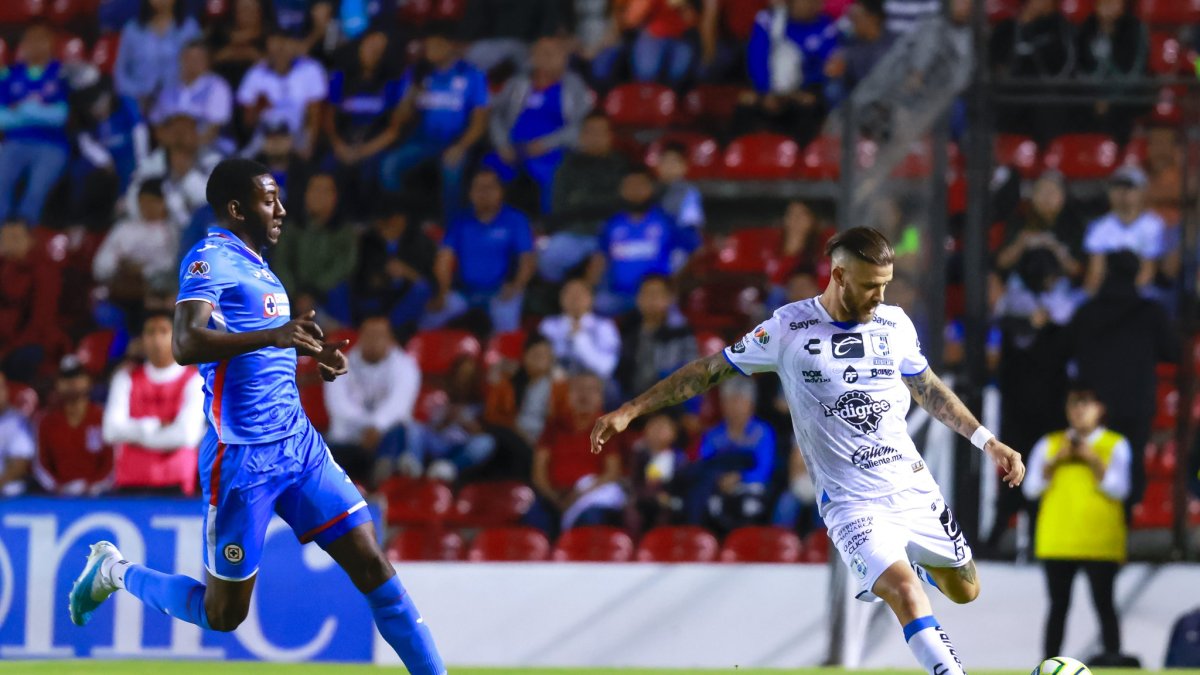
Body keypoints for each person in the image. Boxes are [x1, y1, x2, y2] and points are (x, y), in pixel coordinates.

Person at [68, 158, 446, 675]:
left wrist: (310, 365)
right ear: (235, 208)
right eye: (270, 200)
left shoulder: (260, 266)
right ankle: (113, 571)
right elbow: (185, 343)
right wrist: (274, 335)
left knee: (375, 568)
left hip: (300, 446)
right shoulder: (208, 258)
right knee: (222, 614)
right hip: (244, 457)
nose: (281, 209)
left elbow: (256, 369)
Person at [591, 227, 1026, 675]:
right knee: (906, 592)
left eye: (886, 284)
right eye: (870, 286)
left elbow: (929, 390)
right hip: (851, 504)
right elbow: (708, 370)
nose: (880, 296)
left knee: (965, 590)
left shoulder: (895, 324)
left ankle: (924, 558)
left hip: (913, 487)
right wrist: (632, 408)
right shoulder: (787, 328)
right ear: (839, 275)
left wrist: (986, 440)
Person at [1023, 383, 1130, 662]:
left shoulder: (1114, 444)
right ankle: (1049, 665)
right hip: (1058, 540)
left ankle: (1114, 662)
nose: (1080, 410)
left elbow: (1120, 489)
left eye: (1086, 403)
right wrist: (1054, 462)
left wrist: (1094, 461)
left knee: (1104, 604)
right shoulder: (1050, 444)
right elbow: (1030, 488)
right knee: (1058, 607)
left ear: (1100, 409)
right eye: (1074, 403)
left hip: (1100, 541)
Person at [1064, 249, 1175, 509]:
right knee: (1130, 467)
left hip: (1092, 407)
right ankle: (1123, 527)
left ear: (1106, 273)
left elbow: (1063, 349)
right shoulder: (1151, 312)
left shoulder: (1087, 311)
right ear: (1137, 274)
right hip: (1135, 406)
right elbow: (1173, 353)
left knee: (1088, 464)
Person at [379, 22, 490, 216]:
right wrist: (413, 91)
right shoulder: (418, 73)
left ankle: (452, 227)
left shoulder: (472, 74)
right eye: (428, 46)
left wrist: (461, 147)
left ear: (452, 45)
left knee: (451, 169)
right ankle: (400, 220)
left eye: (437, 44)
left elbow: (480, 122)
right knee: (389, 164)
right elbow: (398, 119)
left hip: (457, 139)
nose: (432, 50)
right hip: (423, 140)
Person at [484, 36, 591, 215]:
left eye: (553, 53)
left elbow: (581, 125)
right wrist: (502, 145)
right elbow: (496, 115)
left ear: (563, 57)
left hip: (553, 151)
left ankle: (547, 224)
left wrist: (545, 145)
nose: (547, 58)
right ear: (532, 57)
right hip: (512, 148)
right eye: (542, 53)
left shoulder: (574, 85)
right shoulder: (518, 83)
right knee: (486, 173)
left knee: (554, 175)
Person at [102, 309, 205, 495]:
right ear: (142, 339)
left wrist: (134, 433)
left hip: (176, 485)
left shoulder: (194, 380)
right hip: (129, 484)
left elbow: (187, 436)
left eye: (163, 331)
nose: (156, 339)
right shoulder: (125, 378)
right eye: (150, 332)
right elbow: (110, 431)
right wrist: (154, 426)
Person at [427, 169, 536, 333]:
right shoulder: (460, 221)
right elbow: (444, 259)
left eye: (490, 188)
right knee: (430, 320)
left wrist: (517, 285)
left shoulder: (515, 219)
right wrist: (443, 292)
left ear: (501, 191)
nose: (484, 193)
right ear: (470, 193)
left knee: (506, 326)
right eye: (479, 188)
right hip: (465, 292)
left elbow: (527, 260)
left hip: (501, 291)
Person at [325, 316, 422, 486]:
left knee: (402, 431)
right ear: (360, 337)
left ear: (390, 339)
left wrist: (377, 426)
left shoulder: (406, 365)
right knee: (319, 446)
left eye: (379, 335)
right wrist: (367, 427)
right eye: (369, 335)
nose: (373, 340)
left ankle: (381, 481)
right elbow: (338, 405)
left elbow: (399, 404)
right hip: (348, 438)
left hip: (385, 437)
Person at [589, 167, 697, 316]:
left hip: (656, 297)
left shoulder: (665, 221)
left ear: (650, 188)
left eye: (640, 185)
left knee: (674, 318)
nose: (635, 191)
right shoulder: (612, 224)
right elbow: (599, 259)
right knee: (599, 303)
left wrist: (674, 284)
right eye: (630, 186)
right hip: (619, 297)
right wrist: (589, 288)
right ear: (622, 190)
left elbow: (692, 249)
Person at [532, 370, 625, 536]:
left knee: (591, 518)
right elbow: (539, 471)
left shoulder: (608, 427)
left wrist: (580, 495)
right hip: (554, 496)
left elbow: (612, 472)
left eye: (591, 389)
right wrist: (556, 499)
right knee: (532, 520)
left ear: (601, 397)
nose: (584, 395)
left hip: (589, 496)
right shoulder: (554, 425)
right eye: (579, 389)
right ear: (568, 395)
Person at [323, 28, 404, 216]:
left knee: (370, 172)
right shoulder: (341, 78)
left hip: (375, 144)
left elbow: (394, 129)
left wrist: (363, 151)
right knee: (327, 170)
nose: (373, 52)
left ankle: (365, 221)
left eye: (379, 49)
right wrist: (339, 146)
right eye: (370, 46)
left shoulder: (393, 83)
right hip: (343, 142)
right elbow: (329, 121)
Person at [737, 0, 838, 144]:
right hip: (767, 91)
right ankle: (738, 157)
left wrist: (795, 93)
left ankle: (803, 158)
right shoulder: (769, 20)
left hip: (804, 91)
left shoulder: (827, 26)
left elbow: (827, 66)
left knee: (810, 107)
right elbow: (757, 56)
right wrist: (765, 91)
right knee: (744, 106)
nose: (810, 5)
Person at [0, 21, 71, 225]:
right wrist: (39, 111)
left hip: (52, 145)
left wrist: (22, 109)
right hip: (15, 142)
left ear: (51, 43)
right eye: (29, 39)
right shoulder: (11, 75)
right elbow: (1, 119)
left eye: (41, 39)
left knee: (37, 187)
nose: (34, 44)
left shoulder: (61, 73)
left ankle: (25, 230)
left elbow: (60, 117)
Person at [543, 113, 628, 283]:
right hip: (575, 232)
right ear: (581, 136)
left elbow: (623, 203)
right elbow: (559, 207)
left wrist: (582, 201)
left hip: (612, 233)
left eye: (600, 132)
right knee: (549, 258)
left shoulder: (622, 166)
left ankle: (601, 301)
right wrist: (602, 203)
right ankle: (561, 297)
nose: (595, 137)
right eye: (590, 132)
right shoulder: (566, 166)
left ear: (609, 136)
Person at [694, 377, 777, 533]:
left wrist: (740, 477)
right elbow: (703, 464)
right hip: (719, 487)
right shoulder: (713, 435)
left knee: (748, 506)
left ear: (751, 405)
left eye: (740, 401)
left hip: (752, 488)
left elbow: (765, 469)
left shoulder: (763, 433)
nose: (734, 407)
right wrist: (720, 479)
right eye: (729, 401)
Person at [272, 173, 357, 322]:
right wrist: (296, 294)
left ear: (335, 196)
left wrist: (314, 292)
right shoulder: (292, 227)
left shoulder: (345, 231)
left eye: (325, 191)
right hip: (293, 295)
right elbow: (281, 263)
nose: (319, 196)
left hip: (327, 295)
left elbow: (345, 265)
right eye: (315, 190)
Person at [350, 196, 438, 334]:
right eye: (381, 223)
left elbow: (432, 285)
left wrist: (406, 272)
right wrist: (377, 278)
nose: (383, 227)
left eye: (389, 221)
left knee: (422, 289)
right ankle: (354, 333)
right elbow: (358, 277)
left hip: (404, 305)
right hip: (374, 300)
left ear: (401, 220)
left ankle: (388, 333)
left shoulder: (421, 243)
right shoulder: (369, 241)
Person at [237, 28, 328, 158]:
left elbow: (316, 114)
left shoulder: (310, 69)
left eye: (282, 47)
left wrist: (310, 146)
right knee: (242, 161)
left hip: (297, 133)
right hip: (265, 134)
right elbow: (248, 123)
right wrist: (258, 108)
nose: (279, 53)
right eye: (274, 49)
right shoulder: (255, 73)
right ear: (267, 51)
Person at [35, 357, 114, 496]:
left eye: (78, 376)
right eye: (65, 378)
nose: (72, 382)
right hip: (59, 497)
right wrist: (59, 487)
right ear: (57, 384)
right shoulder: (46, 421)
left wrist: (94, 486)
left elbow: (114, 460)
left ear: (89, 381)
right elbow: (41, 464)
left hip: (101, 497)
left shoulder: (104, 417)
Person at [0, 220, 67, 383]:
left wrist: (6, 352)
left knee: (26, 356)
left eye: (16, 238)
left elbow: (40, 323)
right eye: (5, 238)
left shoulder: (43, 270)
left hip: (29, 342)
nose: (10, 244)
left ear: (30, 240)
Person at [1082, 165, 1166, 293]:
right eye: (1118, 187)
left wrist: (1125, 301)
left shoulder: (1154, 225)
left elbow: (1147, 272)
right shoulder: (1099, 226)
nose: (1123, 192)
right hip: (1107, 292)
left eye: (1130, 187)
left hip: (1142, 294)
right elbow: (1095, 273)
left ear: (1143, 192)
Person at [1074, 0, 1148, 145]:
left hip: (1125, 96)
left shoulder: (1135, 28)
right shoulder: (1087, 28)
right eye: (1104, 3)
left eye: (1114, 2)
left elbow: (1134, 73)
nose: (1108, 7)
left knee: (1122, 110)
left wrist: (1111, 100)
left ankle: (1116, 155)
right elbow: (1079, 69)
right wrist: (1094, 99)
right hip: (1091, 98)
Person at [615, 274, 697, 401]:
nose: (652, 299)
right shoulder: (625, 330)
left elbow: (691, 374)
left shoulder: (681, 332)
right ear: (638, 299)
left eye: (657, 294)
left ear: (669, 299)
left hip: (667, 404)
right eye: (647, 294)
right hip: (628, 402)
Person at [113, 0, 202, 111]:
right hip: (139, 103)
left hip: (181, 103)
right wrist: (136, 96)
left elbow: (200, 70)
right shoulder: (132, 30)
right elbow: (120, 73)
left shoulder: (189, 28)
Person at [150, 40, 234, 151]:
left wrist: (187, 149)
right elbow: (157, 125)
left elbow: (214, 129)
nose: (192, 63)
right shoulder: (169, 87)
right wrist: (172, 147)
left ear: (207, 62)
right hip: (171, 151)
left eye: (198, 59)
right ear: (180, 60)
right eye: (188, 58)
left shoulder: (217, 86)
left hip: (209, 149)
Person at [538, 279, 622, 380]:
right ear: (561, 298)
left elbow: (606, 367)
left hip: (595, 383)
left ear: (591, 298)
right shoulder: (548, 325)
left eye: (580, 293)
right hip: (556, 381)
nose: (575, 298)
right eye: (569, 293)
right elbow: (543, 362)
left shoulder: (605, 326)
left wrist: (579, 337)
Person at [0, 372, 35, 497]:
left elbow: (19, 465)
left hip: (6, 493)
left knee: (13, 488)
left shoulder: (17, 422)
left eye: (1, 388)